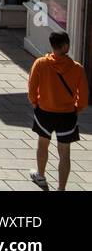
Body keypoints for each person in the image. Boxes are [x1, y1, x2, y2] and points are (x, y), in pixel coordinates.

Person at [28, 30, 88, 191]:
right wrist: (77, 109)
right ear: (66, 46)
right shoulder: (77, 69)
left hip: (44, 112)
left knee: (42, 144)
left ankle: (40, 176)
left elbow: (32, 88)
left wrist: (35, 103)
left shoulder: (40, 63)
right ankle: (61, 188)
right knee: (64, 152)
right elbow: (83, 97)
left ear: (52, 45)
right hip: (67, 115)